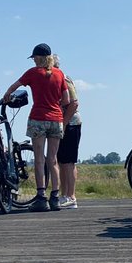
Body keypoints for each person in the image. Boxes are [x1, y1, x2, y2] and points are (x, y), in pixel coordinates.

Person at [2, 43, 69, 212]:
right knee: (53, 160)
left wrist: (6, 96)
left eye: (34, 58)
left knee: (39, 159)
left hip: (38, 117)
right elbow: (66, 99)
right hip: (56, 119)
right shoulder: (59, 73)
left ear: (39, 58)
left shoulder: (33, 73)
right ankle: (55, 198)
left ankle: (41, 197)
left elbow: (14, 87)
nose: (33, 60)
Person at [51, 55, 81, 209]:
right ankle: (64, 195)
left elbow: (74, 103)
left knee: (68, 161)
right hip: (61, 123)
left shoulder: (64, 79)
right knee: (62, 161)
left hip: (71, 123)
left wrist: (64, 123)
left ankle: (71, 196)